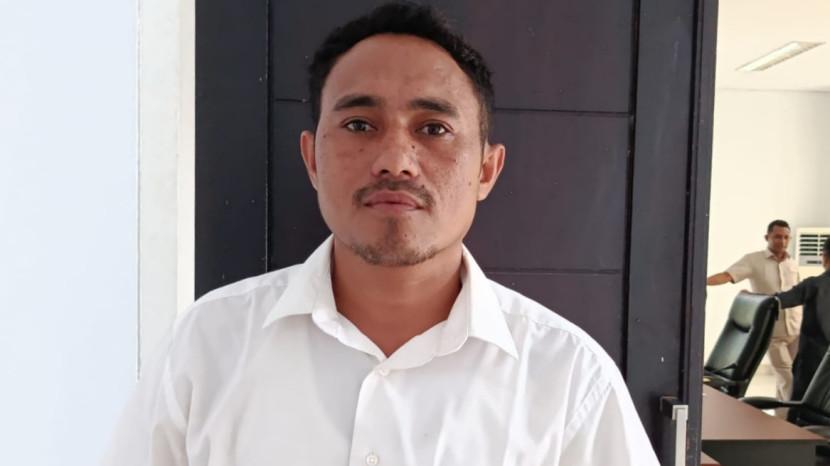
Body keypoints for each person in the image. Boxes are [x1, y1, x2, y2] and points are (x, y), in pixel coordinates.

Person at [102, 3, 658, 465]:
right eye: (359, 125)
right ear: (312, 159)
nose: (396, 160)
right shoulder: (206, 348)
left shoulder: (569, 382)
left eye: (434, 128)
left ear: (487, 170)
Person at [707, 220, 801, 411]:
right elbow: (728, 275)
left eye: (786, 237)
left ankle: (782, 417)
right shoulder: (753, 260)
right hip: (773, 331)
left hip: (796, 328)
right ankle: (790, 421)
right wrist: (700, 281)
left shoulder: (792, 263)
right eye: (777, 237)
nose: (782, 241)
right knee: (787, 378)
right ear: (767, 237)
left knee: (793, 378)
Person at [776, 237, 830, 420]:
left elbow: (779, 301)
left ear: (825, 257)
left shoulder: (814, 285)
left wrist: (752, 298)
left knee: (799, 409)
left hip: (812, 363)